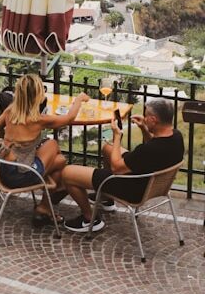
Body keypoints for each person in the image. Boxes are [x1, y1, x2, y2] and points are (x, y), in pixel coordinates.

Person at [61, 97, 184, 234]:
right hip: (149, 181)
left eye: (146, 115)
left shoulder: (147, 151)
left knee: (67, 172)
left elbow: (116, 168)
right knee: (108, 148)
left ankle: (90, 219)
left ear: (154, 120)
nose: (144, 117)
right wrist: (144, 127)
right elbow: (153, 144)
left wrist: (117, 136)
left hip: (132, 188)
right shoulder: (176, 137)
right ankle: (106, 199)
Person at [0, 73, 90, 227]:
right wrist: (79, 99)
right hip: (20, 175)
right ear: (36, 96)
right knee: (53, 145)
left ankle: (47, 206)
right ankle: (50, 199)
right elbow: (69, 118)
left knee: (60, 161)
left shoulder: (10, 110)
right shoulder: (38, 119)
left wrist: (12, 141)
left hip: (4, 168)